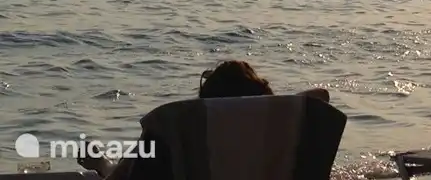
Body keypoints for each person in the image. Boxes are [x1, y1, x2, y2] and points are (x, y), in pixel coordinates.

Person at [77, 60, 329, 180]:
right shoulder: (282, 128)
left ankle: (100, 161)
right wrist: (267, 106)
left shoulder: (177, 125)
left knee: (111, 168)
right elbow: (321, 95)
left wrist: (104, 165)